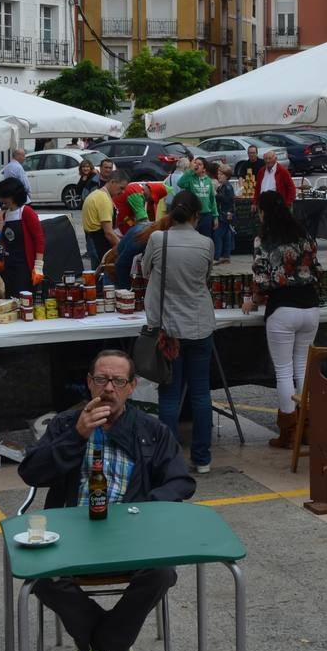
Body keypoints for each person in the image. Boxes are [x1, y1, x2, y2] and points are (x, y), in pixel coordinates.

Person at [19, 349, 193, 651]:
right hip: (72, 533)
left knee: (162, 572)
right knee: (41, 575)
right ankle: (110, 643)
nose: (109, 388)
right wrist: (77, 434)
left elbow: (181, 480)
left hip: (132, 535)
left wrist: (143, 510)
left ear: (132, 386)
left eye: (118, 381)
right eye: (101, 380)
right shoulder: (65, 424)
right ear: (89, 382)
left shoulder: (152, 430)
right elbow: (31, 471)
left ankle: (102, 644)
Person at [141, 190, 216, 473]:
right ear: (196, 216)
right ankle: (202, 459)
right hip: (200, 325)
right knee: (201, 394)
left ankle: (170, 460)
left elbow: (147, 271)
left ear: (170, 214)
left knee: (169, 396)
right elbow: (205, 278)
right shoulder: (206, 243)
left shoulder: (159, 239)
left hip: (168, 329)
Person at [245, 190, 321, 448]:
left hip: (282, 309)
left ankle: (289, 433)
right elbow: (316, 269)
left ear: (264, 212)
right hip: (310, 307)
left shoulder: (263, 240)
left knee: (284, 370)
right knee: (303, 368)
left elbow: (261, 279)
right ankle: (308, 428)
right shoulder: (305, 236)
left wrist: (252, 301)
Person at [0, 178, 43, 299]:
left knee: (24, 298)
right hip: (9, 265)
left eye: (4, 197)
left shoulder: (27, 212)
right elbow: (3, 240)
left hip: (24, 265)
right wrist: (0, 259)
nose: (1, 200)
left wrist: (38, 266)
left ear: (13, 196)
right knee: (11, 297)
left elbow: (39, 239)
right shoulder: (5, 215)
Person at [82, 172, 124, 270]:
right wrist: (122, 248)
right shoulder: (103, 199)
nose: (122, 192)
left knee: (96, 275)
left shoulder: (97, 194)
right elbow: (109, 233)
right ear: (113, 182)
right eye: (121, 188)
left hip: (92, 240)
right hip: (98, 244)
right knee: (102, 277)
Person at [177, 155, 217, 239]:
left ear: (204, 169)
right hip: (194, 215)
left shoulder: (208, 181)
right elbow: (180, 183)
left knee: (206, 239)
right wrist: (191, 171)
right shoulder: (191, 179)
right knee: (192, 238)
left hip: (206, 215)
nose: (196, 165)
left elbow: (212, 199)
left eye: (200, 164)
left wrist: (215, 216)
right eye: (195, 163)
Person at [213, 163, 235, 264]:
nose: (219, 176)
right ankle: (226, 256)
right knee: (226, 235)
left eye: (221, 174)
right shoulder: (223, 186)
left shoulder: (227, 187)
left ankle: (217, 257)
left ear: (226, 176)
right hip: (225, 214)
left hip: (223, 214)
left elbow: (228, 200)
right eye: (218, 174)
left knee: (218, 235)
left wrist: (216, 195)